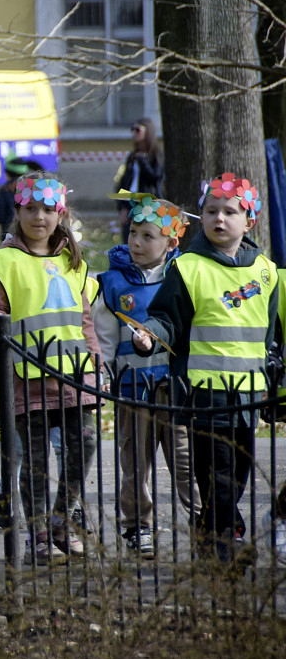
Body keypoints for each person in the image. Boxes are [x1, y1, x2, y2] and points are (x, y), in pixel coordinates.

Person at [132, 172, 276, 564]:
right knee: (218, 477)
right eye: (211, 210)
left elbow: (270, 336)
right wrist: (148, 335)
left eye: (230, 211)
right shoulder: (188, 267)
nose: (219, 218)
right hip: (203, 395)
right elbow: (166, 318)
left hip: (246, 395)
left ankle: (210, 537)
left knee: (236, 477)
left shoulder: (264, 270)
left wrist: (272, 383)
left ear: (249, 222)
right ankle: (223, 552)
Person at [0, 172, 99, 563]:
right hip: (26, 380)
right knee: (34, 464)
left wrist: (95, 367)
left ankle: (64, 519)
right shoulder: (4, 260)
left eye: (48, 209)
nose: (39, 217)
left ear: (60, 213)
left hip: (73, 377)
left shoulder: (73, 260)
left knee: (84, 444)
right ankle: (40, 536)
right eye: (30, 209)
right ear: (18, 210)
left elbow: (84, 321)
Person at [93, 192, 201, 557]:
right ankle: (138, 527)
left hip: (176, 391)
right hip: (132, 390)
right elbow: (105, 340)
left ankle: (204, 524)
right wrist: (103, 375)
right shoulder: (111, 283)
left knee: (186, 463)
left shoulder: (187, 276)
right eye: (133, 233)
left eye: (147, 236)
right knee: (135, 465)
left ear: (171, 243)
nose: (137, 242)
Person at [114, 118, 164, 243]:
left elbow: (155, 177)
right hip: (130, 202)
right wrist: (121, 207)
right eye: (132, 130)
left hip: (147, 203)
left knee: (145, 237)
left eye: (137, 130)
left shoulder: (155, 155)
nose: (134, 134)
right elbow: (123, 182)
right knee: (128, 238)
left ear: (148, 132)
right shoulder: (132, 156)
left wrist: (143, 161)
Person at [0, 154, 28, 241]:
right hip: (27, 235)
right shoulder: (29, 189)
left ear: (8, 173)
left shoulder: (5, 190)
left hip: (8, 235)